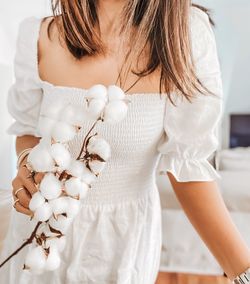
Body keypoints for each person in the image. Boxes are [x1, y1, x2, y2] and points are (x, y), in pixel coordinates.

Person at [1, 0, 250, 283]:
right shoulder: (38, 36)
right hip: (36, 245)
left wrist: (244, 272)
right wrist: (27, 164)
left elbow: (188, 168)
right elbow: (27, 131)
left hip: (122, 246)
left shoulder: (186, 34)